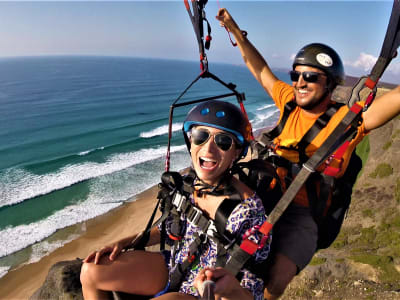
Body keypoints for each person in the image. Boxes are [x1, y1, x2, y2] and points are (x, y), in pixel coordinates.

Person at [216, 8, 400, 300]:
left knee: (276, 281)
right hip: (263, 195)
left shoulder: (349, 122)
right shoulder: (289, 100)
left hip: (301, 212)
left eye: (310, 77)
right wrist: (235, 32)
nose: (299, 82)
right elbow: (260, 70)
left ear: (329, 84)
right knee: (214, 240)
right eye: (296, 75)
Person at [80, 100, 272, 300]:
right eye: (201, 136)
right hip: (176, 265)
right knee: (90, 271)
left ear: (237, 152)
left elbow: (253, 289)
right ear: (191, 141)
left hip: (208, 291)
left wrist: (230, 289)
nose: (208, 150)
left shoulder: (249, 211)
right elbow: (169, 228)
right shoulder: (189, 183)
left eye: (223, 142)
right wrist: (124, 241)